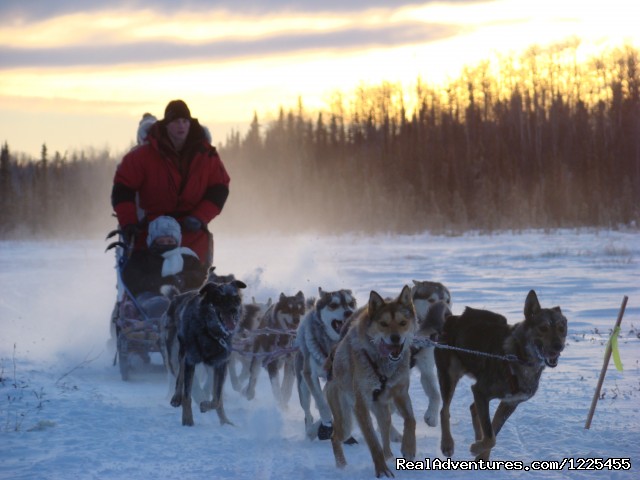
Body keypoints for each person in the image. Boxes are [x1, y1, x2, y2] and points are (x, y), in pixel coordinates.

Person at [111, 99, 230, 266]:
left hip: (191, 228)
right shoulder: (143, 156)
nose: (181, 126)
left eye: (185, 121)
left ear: (190, 123)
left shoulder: (207, 156)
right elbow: (123, 188)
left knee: (194, 274)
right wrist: (128, 223)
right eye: (175, 121)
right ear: (166, 125)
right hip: (150, 229)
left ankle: (201, 287)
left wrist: (200, 217)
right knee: (143, 271)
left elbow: (219, 188)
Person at [121, 216, 208, 301]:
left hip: (183, 297)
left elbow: (201, 275)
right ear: (152, 241)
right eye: (161, 241)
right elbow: (133, 279)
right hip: (150, 299)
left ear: (177, 241)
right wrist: (162, 282)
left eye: (170, 241)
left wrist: (181, 279)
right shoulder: (142, 258)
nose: (166, 244)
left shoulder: (187, 257)